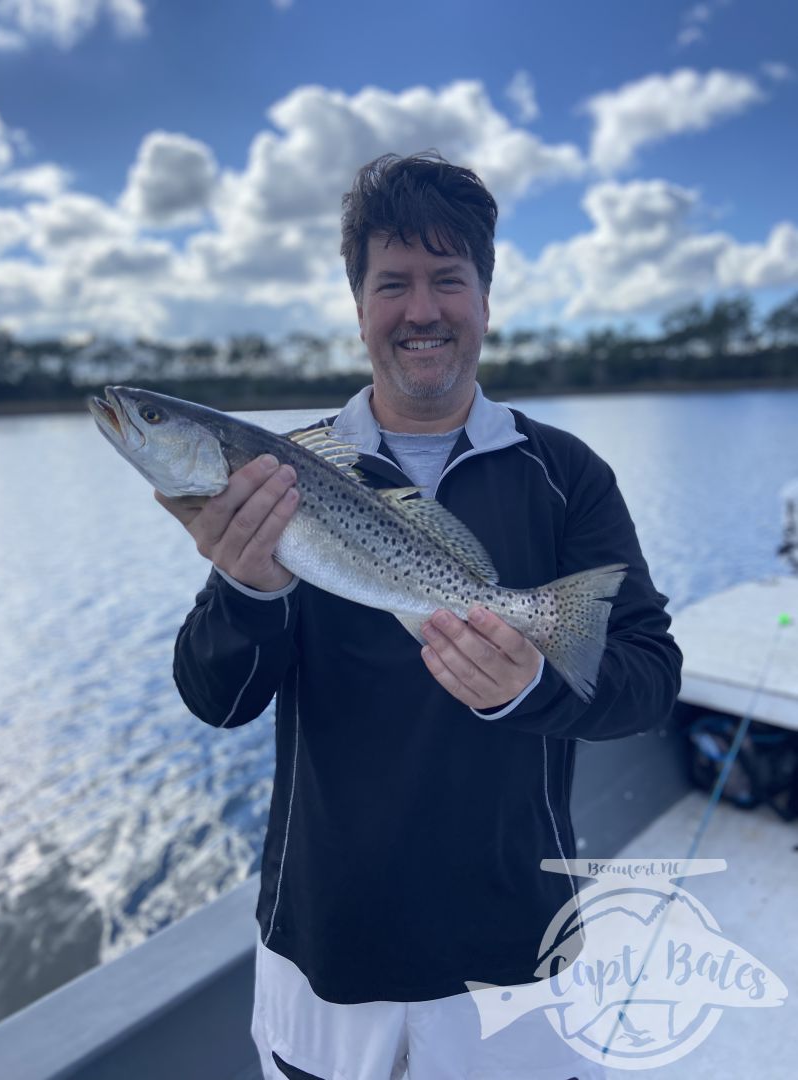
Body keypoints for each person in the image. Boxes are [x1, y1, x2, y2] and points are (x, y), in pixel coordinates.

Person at [156, 153, 683, 1080]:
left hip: (515, 938)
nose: (423, 309)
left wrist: (532, 688)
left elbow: (647, 679)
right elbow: (219, 701)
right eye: (392, 282)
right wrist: (248, 591)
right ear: (358, 304)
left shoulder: (566, 476)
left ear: (485, 293)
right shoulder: (281, 478)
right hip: (324, 945)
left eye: (449, 279)